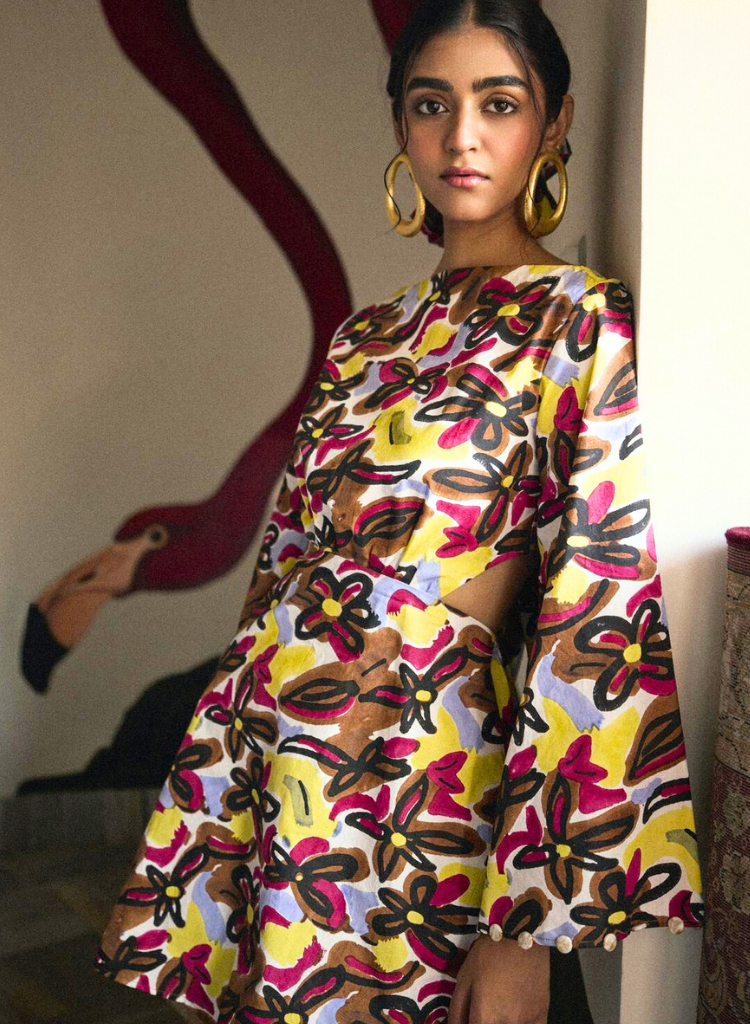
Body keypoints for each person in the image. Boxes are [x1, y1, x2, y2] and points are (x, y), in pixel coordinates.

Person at [94, 1, 705, 1022]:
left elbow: (597, 614)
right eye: (431, 104)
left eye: (498, 104)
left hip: (423, 780)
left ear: (553, 123)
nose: (461, 136)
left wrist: (524, 929)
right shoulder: (364, 336)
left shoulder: (578, 320)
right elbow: (278, 571)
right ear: (400, 127)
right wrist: (214, 810)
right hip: (276, 761)